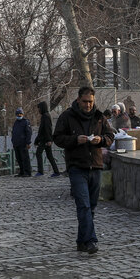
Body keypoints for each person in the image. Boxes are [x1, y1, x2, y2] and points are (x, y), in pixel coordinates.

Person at [53, 86, 114, 254]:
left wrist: (100, 139)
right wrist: (75, 140)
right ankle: (91, 241)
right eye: (85, 101)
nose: (88, 105)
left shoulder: (99, 117)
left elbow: (110, 137)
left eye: (91, 102)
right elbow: (57, 138)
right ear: (78, 100)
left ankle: (81, 241)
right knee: (84, 205)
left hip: (95, 166)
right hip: (77, 167)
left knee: (91, 206)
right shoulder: (67, 116)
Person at [33, 101, 61, 177]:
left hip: (44, 139)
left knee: (39, 153)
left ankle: (40, 171)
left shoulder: (45, 116)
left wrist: (49, 140)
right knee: (49, 156)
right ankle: (56, 171)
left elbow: (47, 129)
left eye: (39, 109)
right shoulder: (46, 116)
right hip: (45, 139)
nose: (38, 110)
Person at [11, 107, 33, 177]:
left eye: (20, 114)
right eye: (18, 114)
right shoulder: (16, 122)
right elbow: (13, 132)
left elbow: (28, 132)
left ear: (22, 114)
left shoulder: (26, 122)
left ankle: (27, 172)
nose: (19, 115)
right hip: (16, 143)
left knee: (25, 158)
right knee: (19, 158)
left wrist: (28, 142)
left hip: (23, 143)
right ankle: (22, 171)